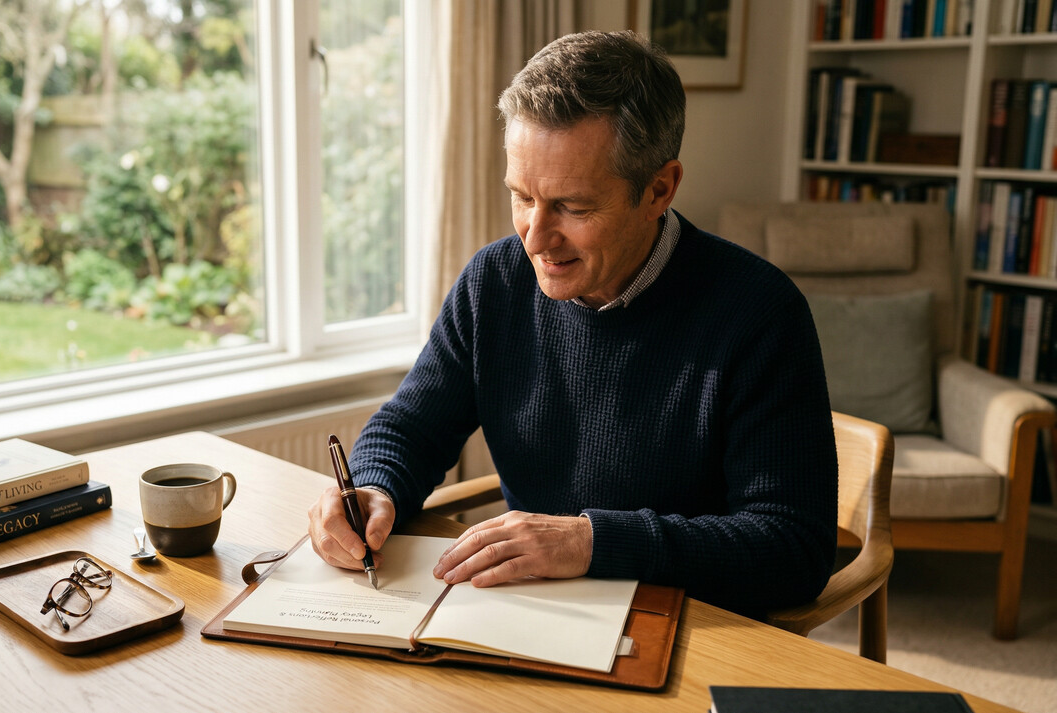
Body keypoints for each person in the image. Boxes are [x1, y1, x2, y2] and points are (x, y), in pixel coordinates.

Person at [307, 30, 837, 620]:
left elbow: (794, 549)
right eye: (521, 196)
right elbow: (413, 425)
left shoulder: (760, 313)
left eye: (573, 208)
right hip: (532, 611)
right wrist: (372, 488)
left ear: (659, 189)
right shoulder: (495, 282)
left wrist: (593, 542)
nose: (534, 238)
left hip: (693, 624)